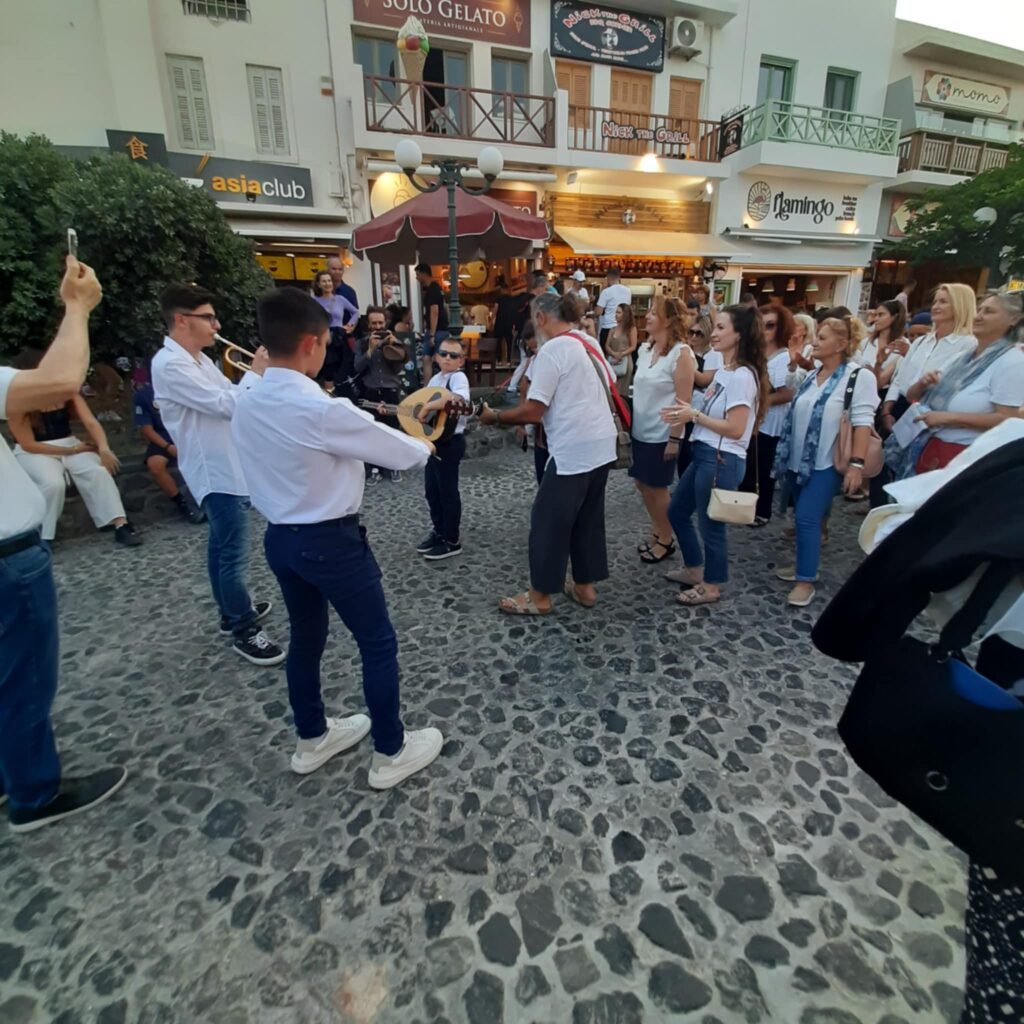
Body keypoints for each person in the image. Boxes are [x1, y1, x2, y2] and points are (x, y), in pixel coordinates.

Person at [232, 288, 443, 788]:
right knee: (377, 642)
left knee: (306, 638)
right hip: (330, 541)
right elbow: (404, 452)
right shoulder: (321, 409)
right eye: (325, 342)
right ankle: (390, 751)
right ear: (310, 343)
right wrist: (427, 443)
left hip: (280, 540)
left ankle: (311, 737)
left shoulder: (245, 395)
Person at [1, 256, 128, 832]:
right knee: (25, 679)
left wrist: (90, 446)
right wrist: (76, 306)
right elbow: (59, 381)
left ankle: (12, 774)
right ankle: (33, 792)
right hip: (9, 557)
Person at [151, 284, 284, 666]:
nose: (217, 325)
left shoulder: (199, 360)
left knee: (220, 547)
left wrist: (258, 378)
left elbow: (232, 392)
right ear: (182, 319)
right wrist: (256, 373)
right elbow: (227, 404)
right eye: (208, 317)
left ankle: (230, 612)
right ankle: (244, 628)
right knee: (233, 556)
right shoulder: (170, 364)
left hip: (228, 464)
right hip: (215, 470)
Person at [478, 292, 618, 615]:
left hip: (573, 448)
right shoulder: (588, 341)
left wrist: (495, 417)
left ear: (540, 318)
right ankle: (584, 587)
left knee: (547, 521)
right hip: (603, 443)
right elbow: (608, 383)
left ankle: (539, 596)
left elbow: (533, 410)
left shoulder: (552, 350)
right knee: (587, 517)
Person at [661, 304, 767, 607]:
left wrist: (694, 415)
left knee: (712, 525)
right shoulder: (725, 371)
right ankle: (694, 569)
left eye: (721, 327)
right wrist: (687, 412)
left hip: (721, 459)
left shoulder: (742, 376)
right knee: (677, 511)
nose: (713, 333)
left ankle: (711, 585)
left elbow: (736, 428)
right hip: (706, 453)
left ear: (739, 334)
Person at [771, 316, 879, 606]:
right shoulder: (814, 374)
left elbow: (862, 422)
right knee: (805, 516)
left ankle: (805, 581)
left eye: (822, 337)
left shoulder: (858, 376)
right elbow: (794, 393)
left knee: (807, 517)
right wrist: (793, 362)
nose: (815, 342)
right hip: (798, 461)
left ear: (841, 344)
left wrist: (856, 464)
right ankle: (804, 564)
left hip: (827, 461)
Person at [897, 291, 1024, 477]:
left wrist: (947, 417)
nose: (978, 316)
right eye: (979, 310)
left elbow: (1008, 420)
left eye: (989, 311)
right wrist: (922, 383)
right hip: (930, 447)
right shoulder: (962, 358)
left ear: (1013, 319)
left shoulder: (1012, 362)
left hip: (965, 457)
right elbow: (912, 396)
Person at [10, 385, 142, 548]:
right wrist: (72, 450)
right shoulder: (18, 402)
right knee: (53, 483)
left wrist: (104, 448)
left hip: (69, 443)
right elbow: (28, 445)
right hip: (34, 452)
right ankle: (43, 535)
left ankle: (120, 524)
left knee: (97, 471)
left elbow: (90, 422)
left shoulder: (66, 394)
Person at [631, 297, 696, 564]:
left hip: (662, 433)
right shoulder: (645, 350)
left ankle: (667, 539)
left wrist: (674, 438)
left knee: (657, 488)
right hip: (640, 430)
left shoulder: (681, 354)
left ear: (668, 320)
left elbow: (684, 401)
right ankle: (658, 529)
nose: (647, 316)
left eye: (653, 312)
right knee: (641, 484)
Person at [879, 283, 977, 437]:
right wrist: (886, 411)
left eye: (943, 302)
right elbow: (900, 378)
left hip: (930, 415)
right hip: (900, 408)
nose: (935, 306)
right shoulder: (921, 342)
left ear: (960, 305)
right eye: (935, 302)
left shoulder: (968, 345)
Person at [416, 337, 471, 561]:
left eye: (453, 355)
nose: (448, 358)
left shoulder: (459, 378)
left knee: (447, 492)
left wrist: (429, 405)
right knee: (432, 490)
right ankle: (439, 531)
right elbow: (422, 406)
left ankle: (452, 540)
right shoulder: (435, 379)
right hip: (434, 440)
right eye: (444, 353)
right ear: (437, 357)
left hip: (450, 442)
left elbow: (456, 399)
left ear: (461, 361)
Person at [740, 305, 795, 526]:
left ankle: (762, 511)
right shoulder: (757, 353)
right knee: (750, 465)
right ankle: (745, 506)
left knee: (764, 467)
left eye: (770, 325)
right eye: (761, 325)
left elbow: (787, 393)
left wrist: (758, 402)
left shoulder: (783, 357)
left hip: (771, 421)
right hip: (753, 419)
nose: (765, 330)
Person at [132, 379, 205, 525]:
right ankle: (183, 504)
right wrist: (167, 447)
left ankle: (207, 500)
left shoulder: (185, 386)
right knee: (155, 465)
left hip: (188, 433)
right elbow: (146, 429)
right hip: (163, 436)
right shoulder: (144, 395)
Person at [355, 306, 413, 485]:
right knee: (372, 431)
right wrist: (370, 350)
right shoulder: (362, 343)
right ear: (368, 324)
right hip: (371, 391)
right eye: (374, 323)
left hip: (390, 391)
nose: (378, 327)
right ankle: (375, 468)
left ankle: (394, 464)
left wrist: (394, 347)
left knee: (393, 430)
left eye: (380, 323)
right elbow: (357, 367)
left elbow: (399, 367)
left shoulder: (394, 341)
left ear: (385, 323)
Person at [311, 270, 358, 389]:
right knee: (328, 370)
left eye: (329, 280)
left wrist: (350, 325)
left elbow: (355, 312)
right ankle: (330, 393)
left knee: (343, 367)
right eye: (324, 281)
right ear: (318, 284)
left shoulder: (340, 299)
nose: (327, 283)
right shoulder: (314, 301)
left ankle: (341, 392)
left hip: (340, 337)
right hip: (324, 337)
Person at [855, 300, 908, 391]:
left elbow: (879, 383)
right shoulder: (866, 342)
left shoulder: (901, 347)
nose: (876, 319)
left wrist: (877, 365)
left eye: (881, 315)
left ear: (894, 317)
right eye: (875, 315)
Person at [415, 263, 450, 382]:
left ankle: (437, 386)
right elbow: (444, 307)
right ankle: (428, 386)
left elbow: (434, 311)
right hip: (437, 329)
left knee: (437, 360)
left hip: (436, 330)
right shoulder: (437, 288)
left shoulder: (433, 290)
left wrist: (432, 335)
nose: (417, 278)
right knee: (427, 358)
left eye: (418, 274)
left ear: (424, 274)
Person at [604, 303, 638, 399]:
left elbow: (633, 346)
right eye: (616, 312)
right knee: (610, 391)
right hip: (612, 361)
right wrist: (614, 354)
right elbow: (607, 345)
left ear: (625, 314)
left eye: (618, 312)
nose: (615, 314)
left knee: (621, 393)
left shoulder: (631, 329)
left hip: (625, 363)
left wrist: (621, 354)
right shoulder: (612, 329)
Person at [595, 268, 632, 346]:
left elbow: (599, 312)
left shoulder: (606, 291)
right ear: (619, 277)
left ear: (608, 278)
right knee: (621, 350)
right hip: (623, 328)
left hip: (608, 327)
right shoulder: (628, 291)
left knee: (605, 352)